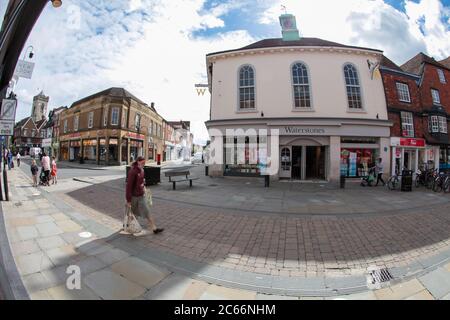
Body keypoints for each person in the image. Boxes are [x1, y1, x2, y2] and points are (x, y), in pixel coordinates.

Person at [126, 156, 164, 235]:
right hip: (133, 197)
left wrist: (144, 186)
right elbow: (129, 186)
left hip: (141, 195)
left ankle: (154, 228)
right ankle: (129, 226)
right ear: (138, 162)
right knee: (133, 213)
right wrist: (128, 200)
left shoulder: (142, 170)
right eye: (142, 163)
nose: (144, 164)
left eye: (144, 163)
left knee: (147, 211)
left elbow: (141, 182)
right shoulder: (132, 171)